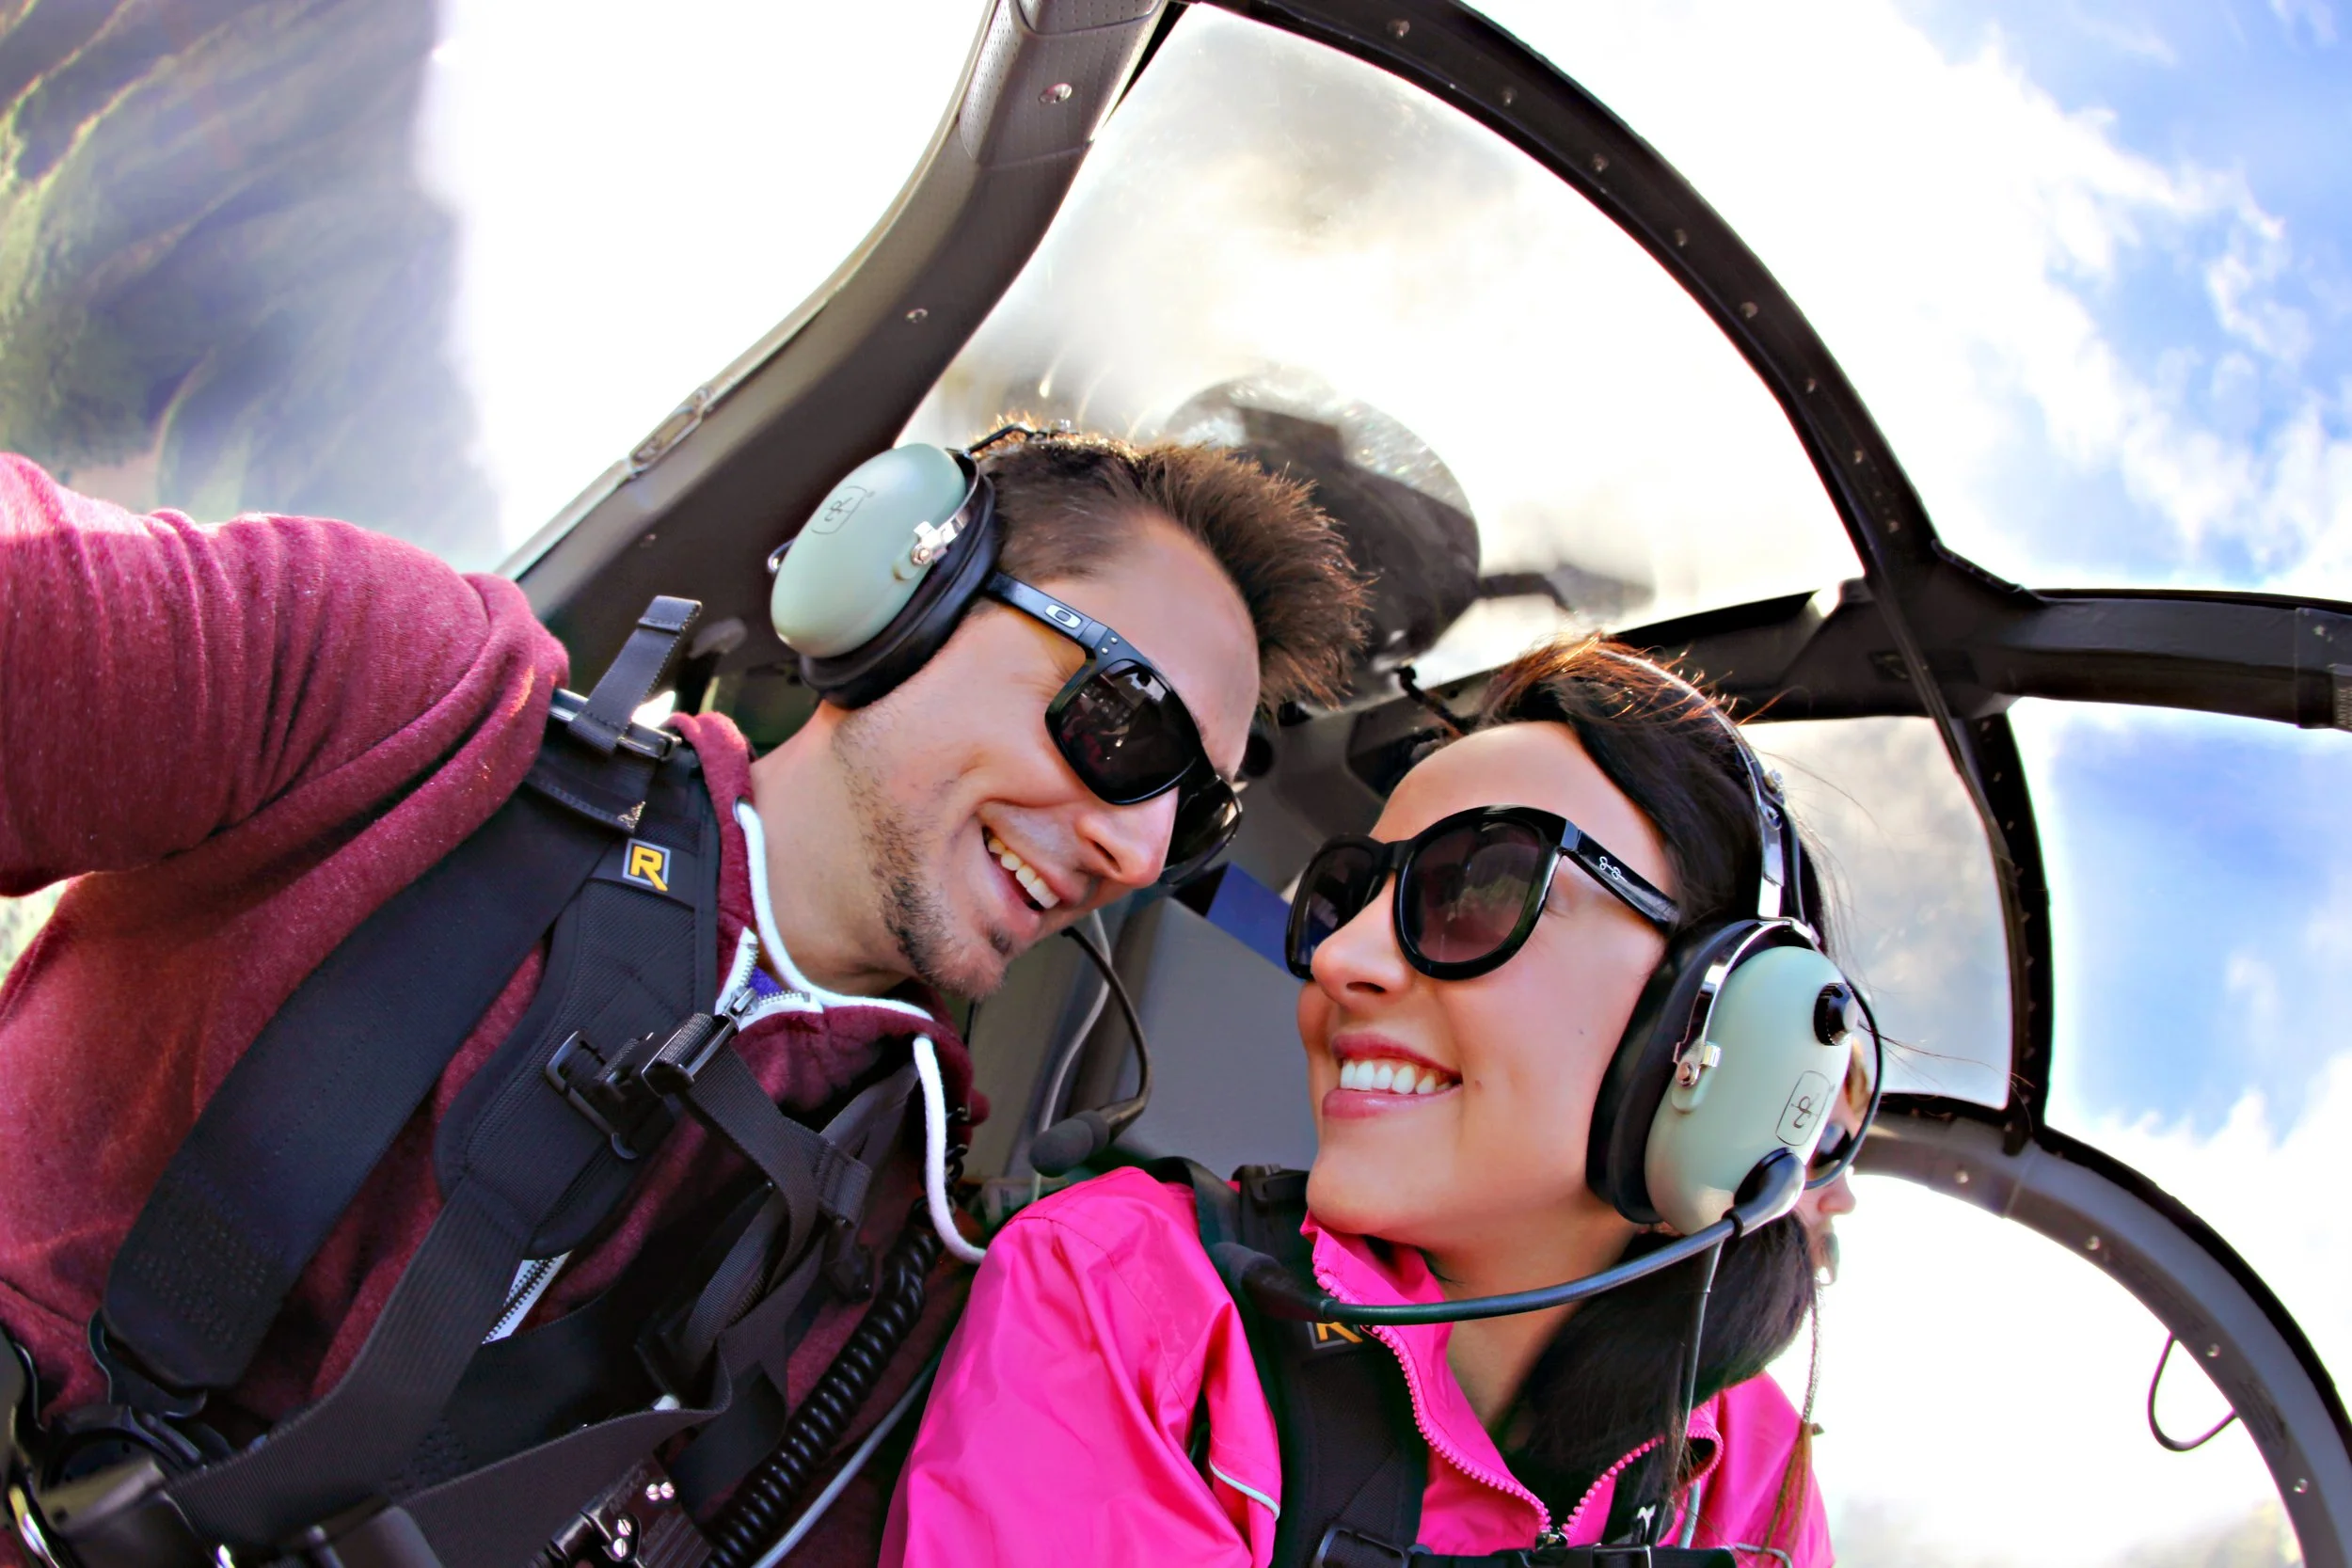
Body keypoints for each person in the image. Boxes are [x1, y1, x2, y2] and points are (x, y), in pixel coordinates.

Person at [0, 430, 1365, 1563]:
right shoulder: (417, 703)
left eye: (1191, 816)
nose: (1135, 846)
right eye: (1127, 726)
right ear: (906, 593)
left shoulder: (916, 1248)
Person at [882, 636, 1855, 1566]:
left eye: (1477, 888)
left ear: (1713, 1021)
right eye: (1344, 896)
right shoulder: (1130, 1292)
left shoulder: (1753, 1475)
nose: (1339, 959)